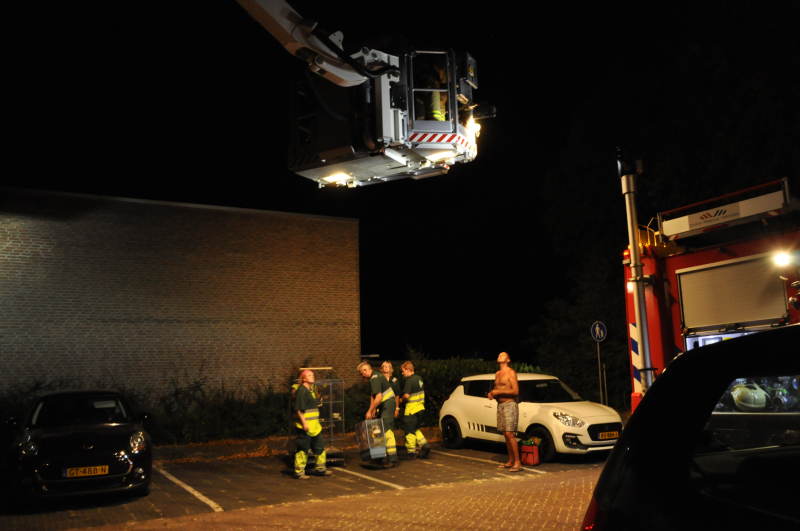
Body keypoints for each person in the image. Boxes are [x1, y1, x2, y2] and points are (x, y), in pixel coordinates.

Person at [357, 361, 399, 468]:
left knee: (387, 431)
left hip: (387, 405)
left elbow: (379, 397)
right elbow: (373, 395)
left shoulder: (374, 378)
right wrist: (373, 408)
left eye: (362, 373)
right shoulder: (375, 377)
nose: (362, 376)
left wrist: (370, 411)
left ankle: (392, 459)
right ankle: (379, 458)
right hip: (385, 405)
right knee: (378, 430)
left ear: (366, 370)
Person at [293, 370, 333, 479]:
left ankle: (321, 469)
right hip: (305, 427)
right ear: (304, 379)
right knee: (302, 449)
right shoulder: (301, 391)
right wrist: (304, 423)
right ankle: (299, 472)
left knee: (319, 448)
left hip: (315, 427)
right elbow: (299, 410)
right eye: (309, 375)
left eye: (313, 375)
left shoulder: (310, 390)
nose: (313, 376)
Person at [488, 352, 521, 472]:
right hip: (500, 405)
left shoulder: (510, 372)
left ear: (508, 359)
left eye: (503, 355)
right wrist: (492, 393)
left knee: (510, 433)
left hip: (510, 405)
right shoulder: (497, 373)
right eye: (499, 355)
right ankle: (511, 460)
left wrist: (498, 392)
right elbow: (498, 389)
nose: (499, 356)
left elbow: (515, 391)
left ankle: (518, 462)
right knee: (505, 434)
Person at [400, 361, 430, 459]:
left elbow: (406, 396)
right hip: (420, 409)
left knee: (409, 432)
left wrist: (400, 400)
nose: (402, 373)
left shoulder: (410, 380)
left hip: (411, 410)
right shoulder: (419, 379)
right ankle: (425, 445)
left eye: (403, 371)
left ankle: (411, 453)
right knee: (414, 429)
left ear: (408, 370)